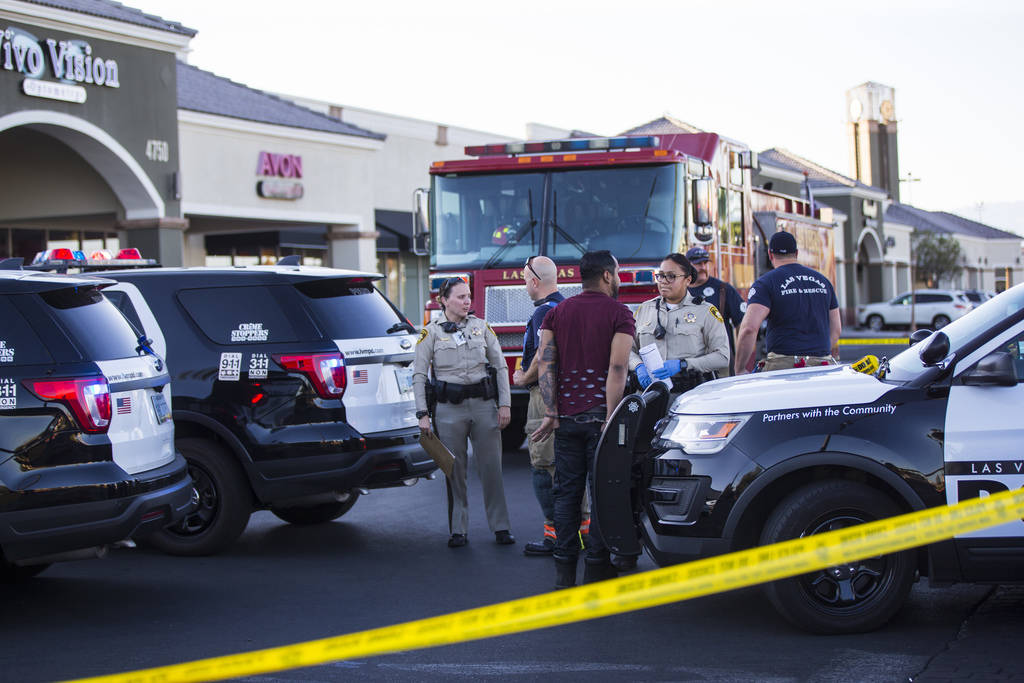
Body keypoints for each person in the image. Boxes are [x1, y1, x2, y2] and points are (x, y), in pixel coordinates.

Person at [530, 250, 635, 588]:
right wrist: (610, 417)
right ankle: (597, 566)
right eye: (616, 274)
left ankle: (564, 571)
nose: (618, 280)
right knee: (602, 493)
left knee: (566, 494)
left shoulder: (557, 313)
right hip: (600, 421)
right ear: (606, 275)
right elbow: (618, 368)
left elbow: (546, 364)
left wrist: (551, 412)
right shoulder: (620, 314)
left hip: (567, 420)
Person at [413, 277, 515, 548]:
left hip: (483, 406)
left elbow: (501, 367)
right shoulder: (431, 332)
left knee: (491, 467)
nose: (467, 301)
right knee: (454, 470)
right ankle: (458, 529)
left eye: (468, 296)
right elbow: (419, 374)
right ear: (444, 300)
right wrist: (422, 413)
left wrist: (504, 404)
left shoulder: (482, 327)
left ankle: (501, 526)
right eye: (460, 297)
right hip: (449, 409)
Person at [512, 256, 590, 556]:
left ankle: (555, 535)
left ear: (534, 281)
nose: (523, 284)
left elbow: (542, 357)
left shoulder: (543, 314)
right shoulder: (570, 309)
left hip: (544, 398)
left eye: (523, 278)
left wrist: (523, 378)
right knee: (570, 467)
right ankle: (583, 531)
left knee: (543, 467)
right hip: (573, 396)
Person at [735, 231, 841, 374]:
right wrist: (818, 353)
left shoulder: (765, 283)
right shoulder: (823, 282)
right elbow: (836, 328)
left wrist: (740, 368)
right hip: (822, 364)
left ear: (770, 254)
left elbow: (749, 328)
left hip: (784, 367)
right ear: (796, 253)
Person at [631, 252, 730, 394]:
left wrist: (684, 364)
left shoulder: (705, 311)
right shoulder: (645, 309)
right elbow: (628, 349)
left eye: (671, 276)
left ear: (688, 280)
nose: (663, 281)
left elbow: (722, 357)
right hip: (649, 396)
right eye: (660, 275)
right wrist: (638, 365)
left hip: (689, 396)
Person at [685, 246, 746, 375]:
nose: (703, 267)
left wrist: (741, 362)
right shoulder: (680, 291)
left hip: (719, 362)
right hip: (688, 363)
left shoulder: (723, 289)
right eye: (697, 264)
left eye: (706, 263)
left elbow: (744, 326)